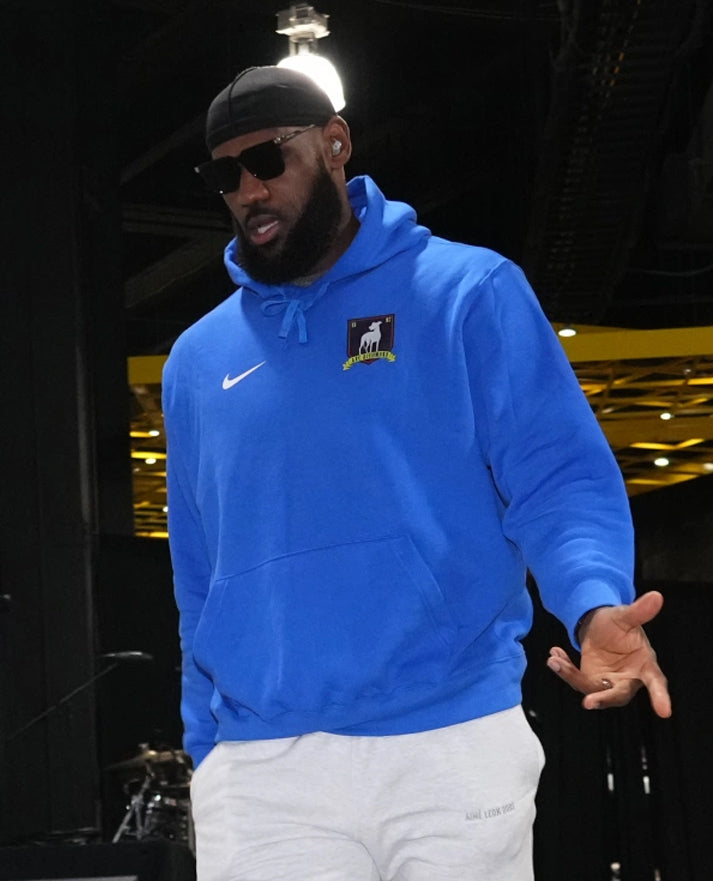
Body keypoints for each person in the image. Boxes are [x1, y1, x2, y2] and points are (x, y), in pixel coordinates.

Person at [162, 65, 671, 881]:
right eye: (225, 175)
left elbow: (555, 476)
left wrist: (591, 599)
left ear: (334, 145)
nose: (249, 190)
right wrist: (206, 746)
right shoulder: (196, 361)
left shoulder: (467, 291)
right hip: (263, 767)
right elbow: (198, 573)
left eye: (267, 160)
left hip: (450, 737)